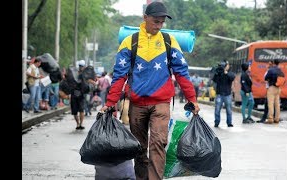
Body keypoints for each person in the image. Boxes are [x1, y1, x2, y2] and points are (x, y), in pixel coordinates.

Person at [101, 2, 200, 179]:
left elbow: (181, 73)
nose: (159, 26)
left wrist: (192, 98)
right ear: (145, 18)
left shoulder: (169, 41)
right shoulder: (129, 42)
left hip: (161, 103)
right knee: (138, 147)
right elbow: (119, 77)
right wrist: (110, 103)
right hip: (137, 104)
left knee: (158, 143)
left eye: (162, 22)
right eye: (156, 21)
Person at [212, 60, 236, 127]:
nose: (228, 66)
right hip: (219, 94)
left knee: (229, 110)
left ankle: (229, 123)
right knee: (217, 109)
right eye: (227, 65)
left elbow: (232, 78)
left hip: (227, 94)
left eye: (228, 65)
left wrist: (226, 73)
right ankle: (216, 122)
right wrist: (217, 73)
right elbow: (214, 80)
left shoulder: (230, 73)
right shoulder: (219, 72)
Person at [264, 59, 284, 124]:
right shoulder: (280, 70)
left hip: (272, 88)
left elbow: (266, 78)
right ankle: (277, 119)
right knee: (277, 104)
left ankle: (270, 119)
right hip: (278, 88)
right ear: (278, 63)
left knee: (270, 104)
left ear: (274, 63)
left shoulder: (271, 70)